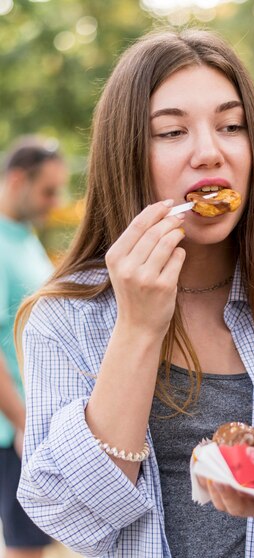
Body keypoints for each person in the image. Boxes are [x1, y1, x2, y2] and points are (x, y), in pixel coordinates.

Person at [15, 29, 254, 558]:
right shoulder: (66, 318)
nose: (210, 153)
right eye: (171, 132)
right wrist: (138, 327)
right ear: (125, 156)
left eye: (231, 126)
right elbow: (68, 515)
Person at [0, 138, 66, 558]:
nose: (54, 203)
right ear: (18, 180)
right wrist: (26, 424)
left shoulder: (24, 238)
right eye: (48, 191)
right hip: (14, 432)